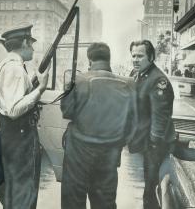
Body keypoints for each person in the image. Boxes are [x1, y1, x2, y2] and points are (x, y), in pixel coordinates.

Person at [60, 42, 136, 209]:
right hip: (110, 154)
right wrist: (116, 144)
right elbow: (133, 122)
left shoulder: (78, 80)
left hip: (79, 153)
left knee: (73, 201)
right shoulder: (129, 84)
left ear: (89, 60)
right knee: (105, 202)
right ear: (109, 59)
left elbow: (66, 111)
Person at [0, 25, 50, 209]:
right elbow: (13, 110)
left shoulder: (6, 65)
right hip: (21, 137)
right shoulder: (15, 69)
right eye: (31, 44)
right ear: (24, 42)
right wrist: (40, 90)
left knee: (15, 192)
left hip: (11, 136)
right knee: (24, 195)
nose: (32, 48)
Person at [128, 40, 176, 209]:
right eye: (133, 55)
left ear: (150, 57)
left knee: (152, 189)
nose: (135, 59)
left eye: (140, 56)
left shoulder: (158, 80)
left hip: (156, 144)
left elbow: (160, 115)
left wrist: (154, 143)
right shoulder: (138, 74)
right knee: (149, 186)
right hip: (145, 141)